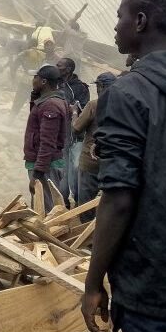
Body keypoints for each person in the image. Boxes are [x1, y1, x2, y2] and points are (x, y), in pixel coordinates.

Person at [82, 0, 166, 332]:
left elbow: (119, 199)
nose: (115, 25)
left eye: (119, 16)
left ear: (139, 21)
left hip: (155, 289)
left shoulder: (126, 93)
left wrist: (93, 283)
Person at [23, 64, 68, 215]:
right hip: (42, 165)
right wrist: (35, 96)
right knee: (39, 207)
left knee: (46, 212)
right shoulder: (48, 101)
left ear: (43, 82)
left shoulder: (50, 105)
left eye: (35, 77)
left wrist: (38, 173)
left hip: (45, 167)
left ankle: (47, 238)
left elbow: (47, 143)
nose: (32, 80)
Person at [71, 72, 116, 223]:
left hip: (90, 161)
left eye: (97, 86)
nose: (96, 89)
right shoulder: (124, 105)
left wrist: (75, 112)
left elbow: (76, 128)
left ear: (101, 86)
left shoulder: (94, 105)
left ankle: (86, 238)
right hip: (113, 161)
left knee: (86, 202)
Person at [56, 57, 90, 208]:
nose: (56, 67)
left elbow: (84, 111)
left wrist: (73, 110)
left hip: (76, 137)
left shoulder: (81, 88)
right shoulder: (56, 85)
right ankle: (63, 205)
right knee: (62, 172)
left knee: (76, 171)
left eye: (60, 65)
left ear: (68, 69)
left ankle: (79, 204)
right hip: (61, 136)